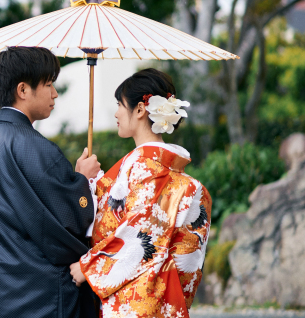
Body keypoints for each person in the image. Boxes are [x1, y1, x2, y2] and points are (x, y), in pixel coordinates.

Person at [0, 46, 102, 318]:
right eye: (48, 84)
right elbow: (71, 219)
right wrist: (83, 181)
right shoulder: (34, 147)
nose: (54, 94)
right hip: (39, 295)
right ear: (23, 90)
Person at [70, 68, 212, 318]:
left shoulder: (142, 168)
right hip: (166, 298)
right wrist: (91, 181)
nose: (115, 113)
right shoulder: (181, 178)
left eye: (119, 105)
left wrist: (87, 267)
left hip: (131, 302)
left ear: (139, 110)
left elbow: (140, 231)